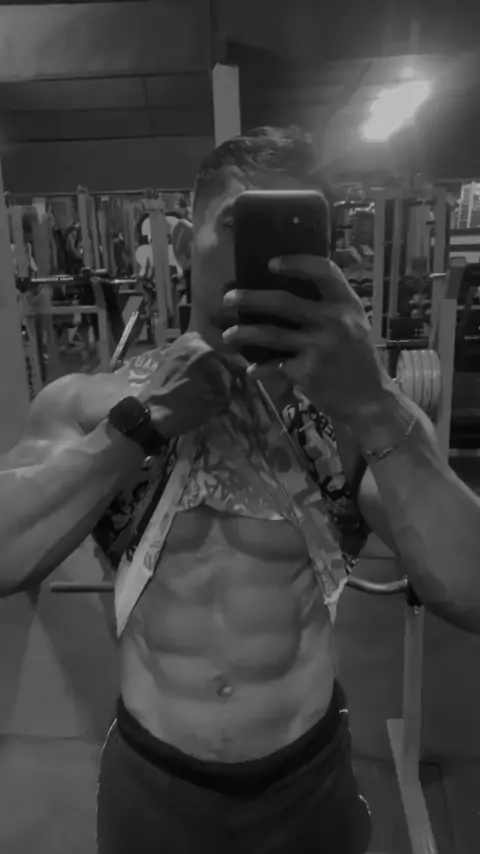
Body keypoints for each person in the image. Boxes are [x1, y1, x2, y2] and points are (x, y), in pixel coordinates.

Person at [1, 127, 480, 854]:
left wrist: (375, 404)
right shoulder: (92, 404)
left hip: (304, 784)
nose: (265, 256)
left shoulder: (360, 417)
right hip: (153, 783)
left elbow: (472, 591)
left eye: (295, 231)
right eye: (238, 225)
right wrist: (140, 426)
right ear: (185, 240)